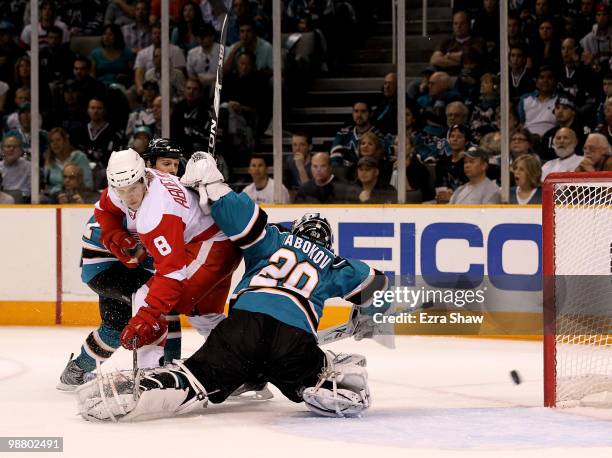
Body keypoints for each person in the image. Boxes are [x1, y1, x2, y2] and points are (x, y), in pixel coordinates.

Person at [78, 152, 386, 422]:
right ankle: (328, 381)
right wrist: (370, 314)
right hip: (294, 338)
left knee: (197, 378)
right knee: (314, 376)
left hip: (242, 328)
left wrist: (213, 185)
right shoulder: (333, 263)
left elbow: (237, 217)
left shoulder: (273, 238)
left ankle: (153, 385)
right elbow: (375, 282)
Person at [94, 147, 241, 369]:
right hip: (215, 240)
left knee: (148, 297)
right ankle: (246, 369)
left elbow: (172, 274)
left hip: (213, 249)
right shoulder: (127, 181)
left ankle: (148, 371)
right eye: (122, 191)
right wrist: (115, 234)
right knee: (205, 316)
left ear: (143, 177)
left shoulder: (156, 213)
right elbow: (104, 210)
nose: (129, 197)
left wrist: (147, 317)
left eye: (133, 189)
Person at [43, 127, 93, 199]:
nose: (55, 144)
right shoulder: (49, 161)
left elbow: (88, 184)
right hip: (54, 197)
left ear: (65, 141)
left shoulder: (79, 157)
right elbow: (47, 186)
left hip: (78, 195)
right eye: (52, 141)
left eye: (58, 140)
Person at [294, 152, 358, 203]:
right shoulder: (305, 189)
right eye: (315, 166)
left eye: (323, 166)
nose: (318, 170)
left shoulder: (344, 188)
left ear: (330, 168)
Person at [0, 134, 30, 202]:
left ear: (20, 150)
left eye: (15, 147)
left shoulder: (29, 167)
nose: (11, 149)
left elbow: (30, 191)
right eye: (8, 146)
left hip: (21, 202)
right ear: (2, 150)